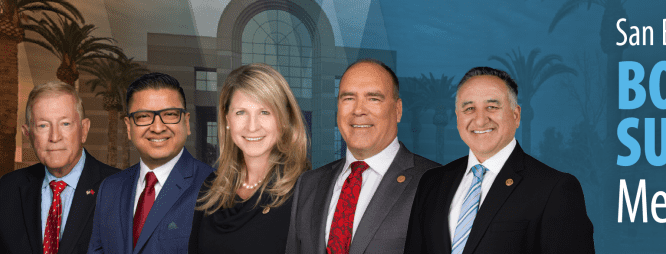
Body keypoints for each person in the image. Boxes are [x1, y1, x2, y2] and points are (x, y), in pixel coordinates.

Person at [405, 67, 595, 254]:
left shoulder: (554, 189)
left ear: (516, 115)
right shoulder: (432, 183)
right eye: (469, 108)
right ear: (457, 118)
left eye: (492, 107)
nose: (480, 120)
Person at [285, 59, 439, 254]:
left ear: (397, 110)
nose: (358, 110)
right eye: (348, 98)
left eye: (373, 98)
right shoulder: (308, 184)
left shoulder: (435, 183)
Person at [189, 64, 310, 253]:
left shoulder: (306, 191)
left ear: (284, 119)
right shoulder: (211, 188)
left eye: (264, 112)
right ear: (227, 119)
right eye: (241, 112)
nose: (252, 127)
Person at [88, 73, 215, 254]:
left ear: (186, 123)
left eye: (170, 114)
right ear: (128, 126)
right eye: (144, 116)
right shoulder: (110, 189)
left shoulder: (214, 188)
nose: (157, 127)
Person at [0, 81, 120, 254]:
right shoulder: (7, 189)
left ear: (84, 130)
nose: (54, 137)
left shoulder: (118, 189)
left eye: (65, 124)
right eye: (43, 125)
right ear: (28, 134)